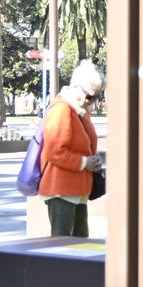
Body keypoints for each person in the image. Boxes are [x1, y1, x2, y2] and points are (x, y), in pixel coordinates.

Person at [37, 59, 104, 237]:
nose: (92, 101)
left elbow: (85, 144)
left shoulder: (80, 109)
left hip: (78, 189)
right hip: (61, 189)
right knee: (62, 245)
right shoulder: (61, 110)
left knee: (80, 244)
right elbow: (54, 152)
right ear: (75, 87)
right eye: (90, 96)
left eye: (96, 97)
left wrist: (94, 159)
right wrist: (84, 162)